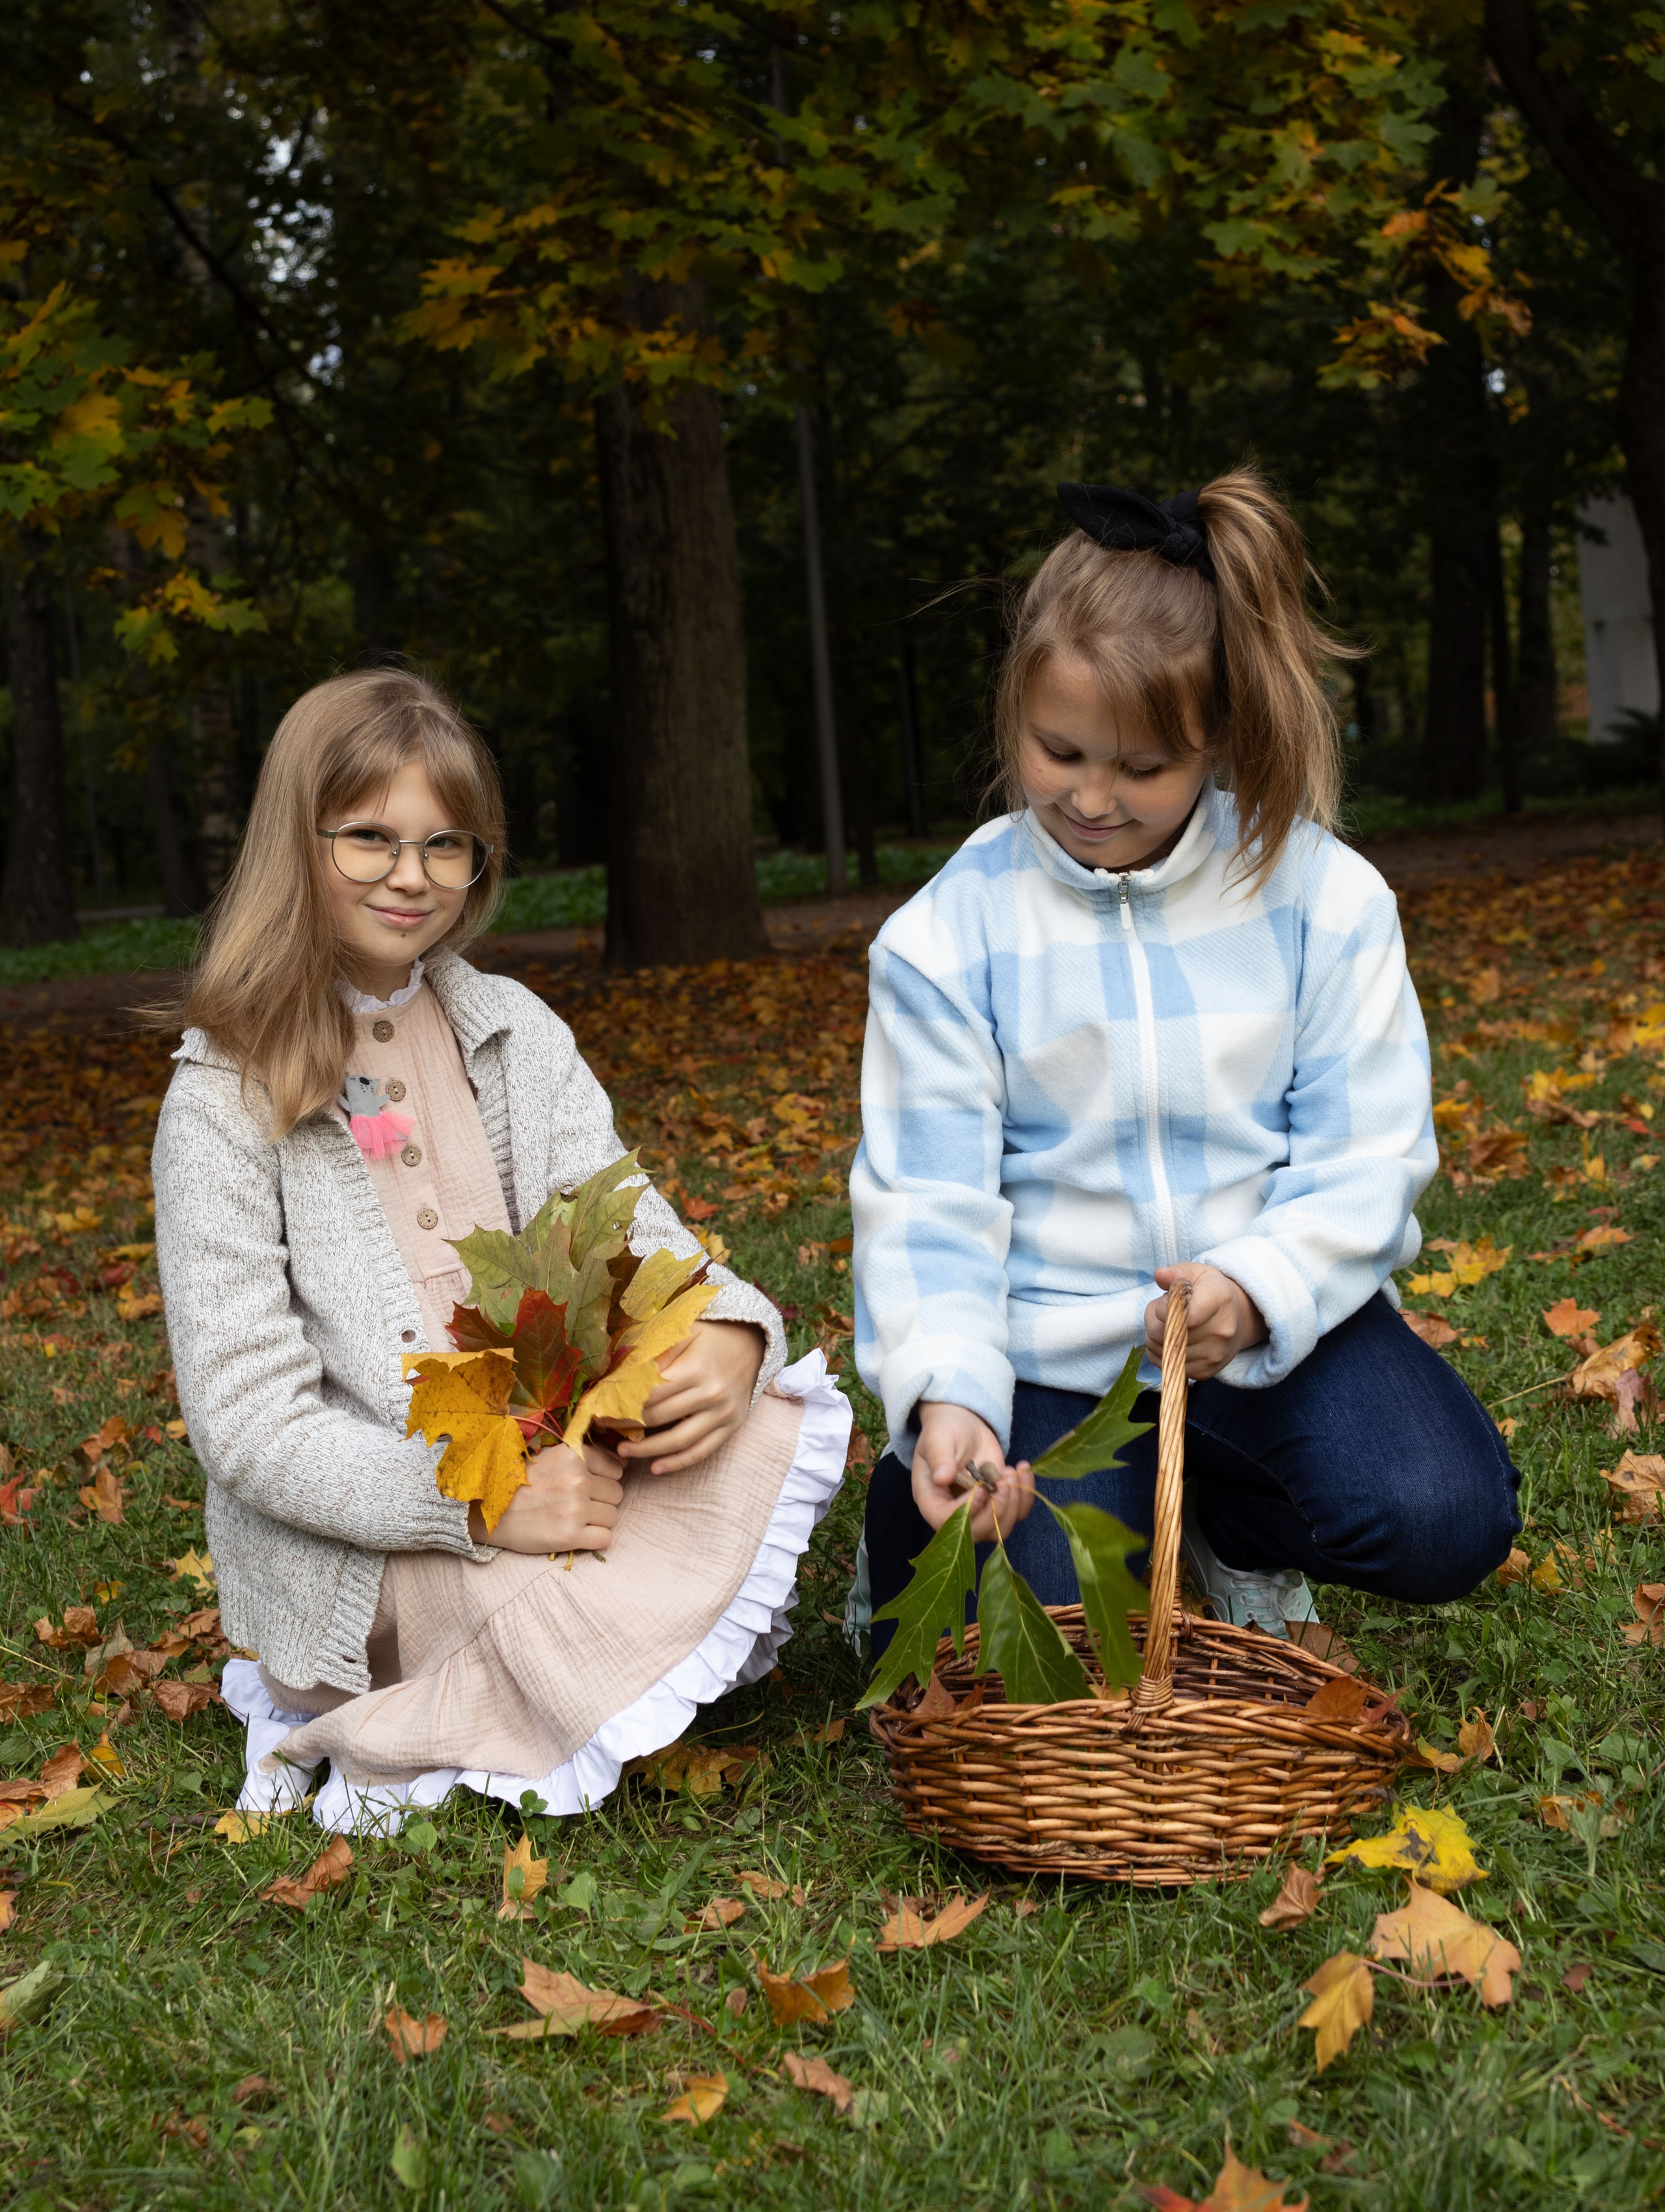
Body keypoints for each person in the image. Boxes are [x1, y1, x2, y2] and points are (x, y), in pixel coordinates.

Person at [152, 668, 847, 1835]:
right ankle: (386, 1704)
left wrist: (724, 1328)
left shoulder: (512, 1030)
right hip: (376, 1526)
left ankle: (582, 1605)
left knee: (756, 1425)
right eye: (368, 838)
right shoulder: (223, 1097)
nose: (410, 875)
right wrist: (473, 1505)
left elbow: (629, 1230)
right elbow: (249, 1424)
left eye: (446, 844)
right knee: (533, 1584)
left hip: (542, 1443)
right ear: (294, 842)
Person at [851, 471, 1519, 1653]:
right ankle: (908, 1533)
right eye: (1059, 751)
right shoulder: (948, 935)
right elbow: (930, 1203)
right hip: (1053, 1358)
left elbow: (1369, 1154)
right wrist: (952, 1386)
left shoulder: (1321, 898)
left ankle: (1239, 1527)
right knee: (1056, 1641)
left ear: (1217, 738)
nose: (1091, 797)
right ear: (1017, 705)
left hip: (1272, 1334)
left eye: (1143, 767)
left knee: (1444, 1513)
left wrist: (1258, 1286)